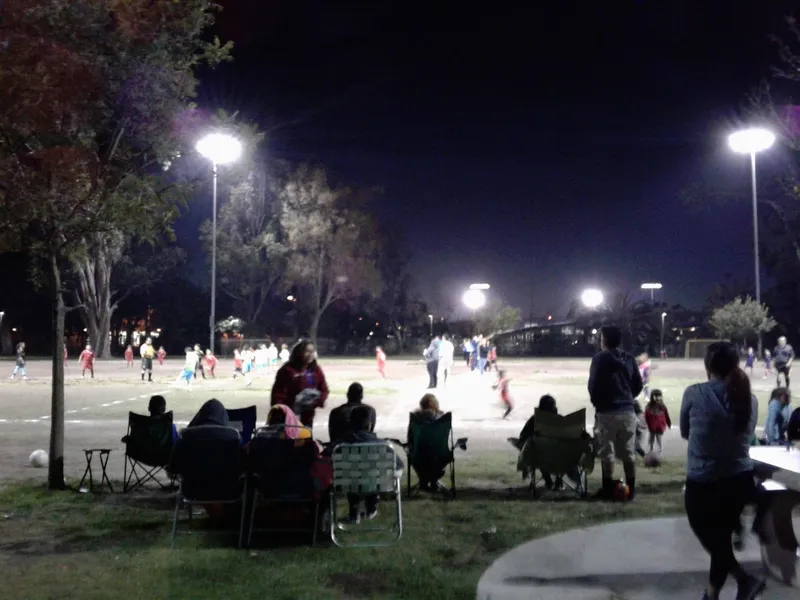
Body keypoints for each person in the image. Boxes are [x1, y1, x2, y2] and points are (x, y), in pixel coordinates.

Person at [679, 341, 763, 600]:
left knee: (715, 539)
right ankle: (720, 591)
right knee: (721, 539)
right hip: (740, 481)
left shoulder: (694, 393)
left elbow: (684, 432)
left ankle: (737, 583)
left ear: (708, 366)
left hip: (704, 482)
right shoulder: (750, 399)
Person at [588, 326, 643, 500]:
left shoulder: (599, 359)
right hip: (627, 411)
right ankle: (631, 491)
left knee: (607, 452)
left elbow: (593, 385)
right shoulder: (629, 359)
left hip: (606, 411)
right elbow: (638, 384)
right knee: (628, 452)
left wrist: (598, 402)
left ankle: (607, 489)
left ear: (604, 340)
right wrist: (627, 398)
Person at [338, 404, 404, 523]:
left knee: (352, 474)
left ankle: (354, 512)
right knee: (373, 472)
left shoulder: (340, 445)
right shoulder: (382, 445)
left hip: (347, 485)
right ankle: (371, 507)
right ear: (369, 425)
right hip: (377, 484)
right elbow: (399, 466)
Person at [270, 339, 329, 428]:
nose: (310, 355)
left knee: (306, 439)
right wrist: (283, 412)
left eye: (312, 352)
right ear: (298, 353)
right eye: (307, 351)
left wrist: (318, 401)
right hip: (289, 416)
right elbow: (277, 395)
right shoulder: (287, 370)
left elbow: (324, 389)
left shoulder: (316, 369)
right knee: (291, 440)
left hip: (308, 415)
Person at [644, 389, 671, 453]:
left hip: (660, 426)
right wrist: (645, 424)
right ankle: (651, 449)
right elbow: (646, 416)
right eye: (656, 396)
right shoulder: (649, 406)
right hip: (652, 427)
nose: (658, 398)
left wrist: (668, 423)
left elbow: (666, 415)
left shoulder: (663, 406)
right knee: (651, 438)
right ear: (652, 397)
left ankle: (660, 450)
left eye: (659, 396)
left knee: (659, 438)